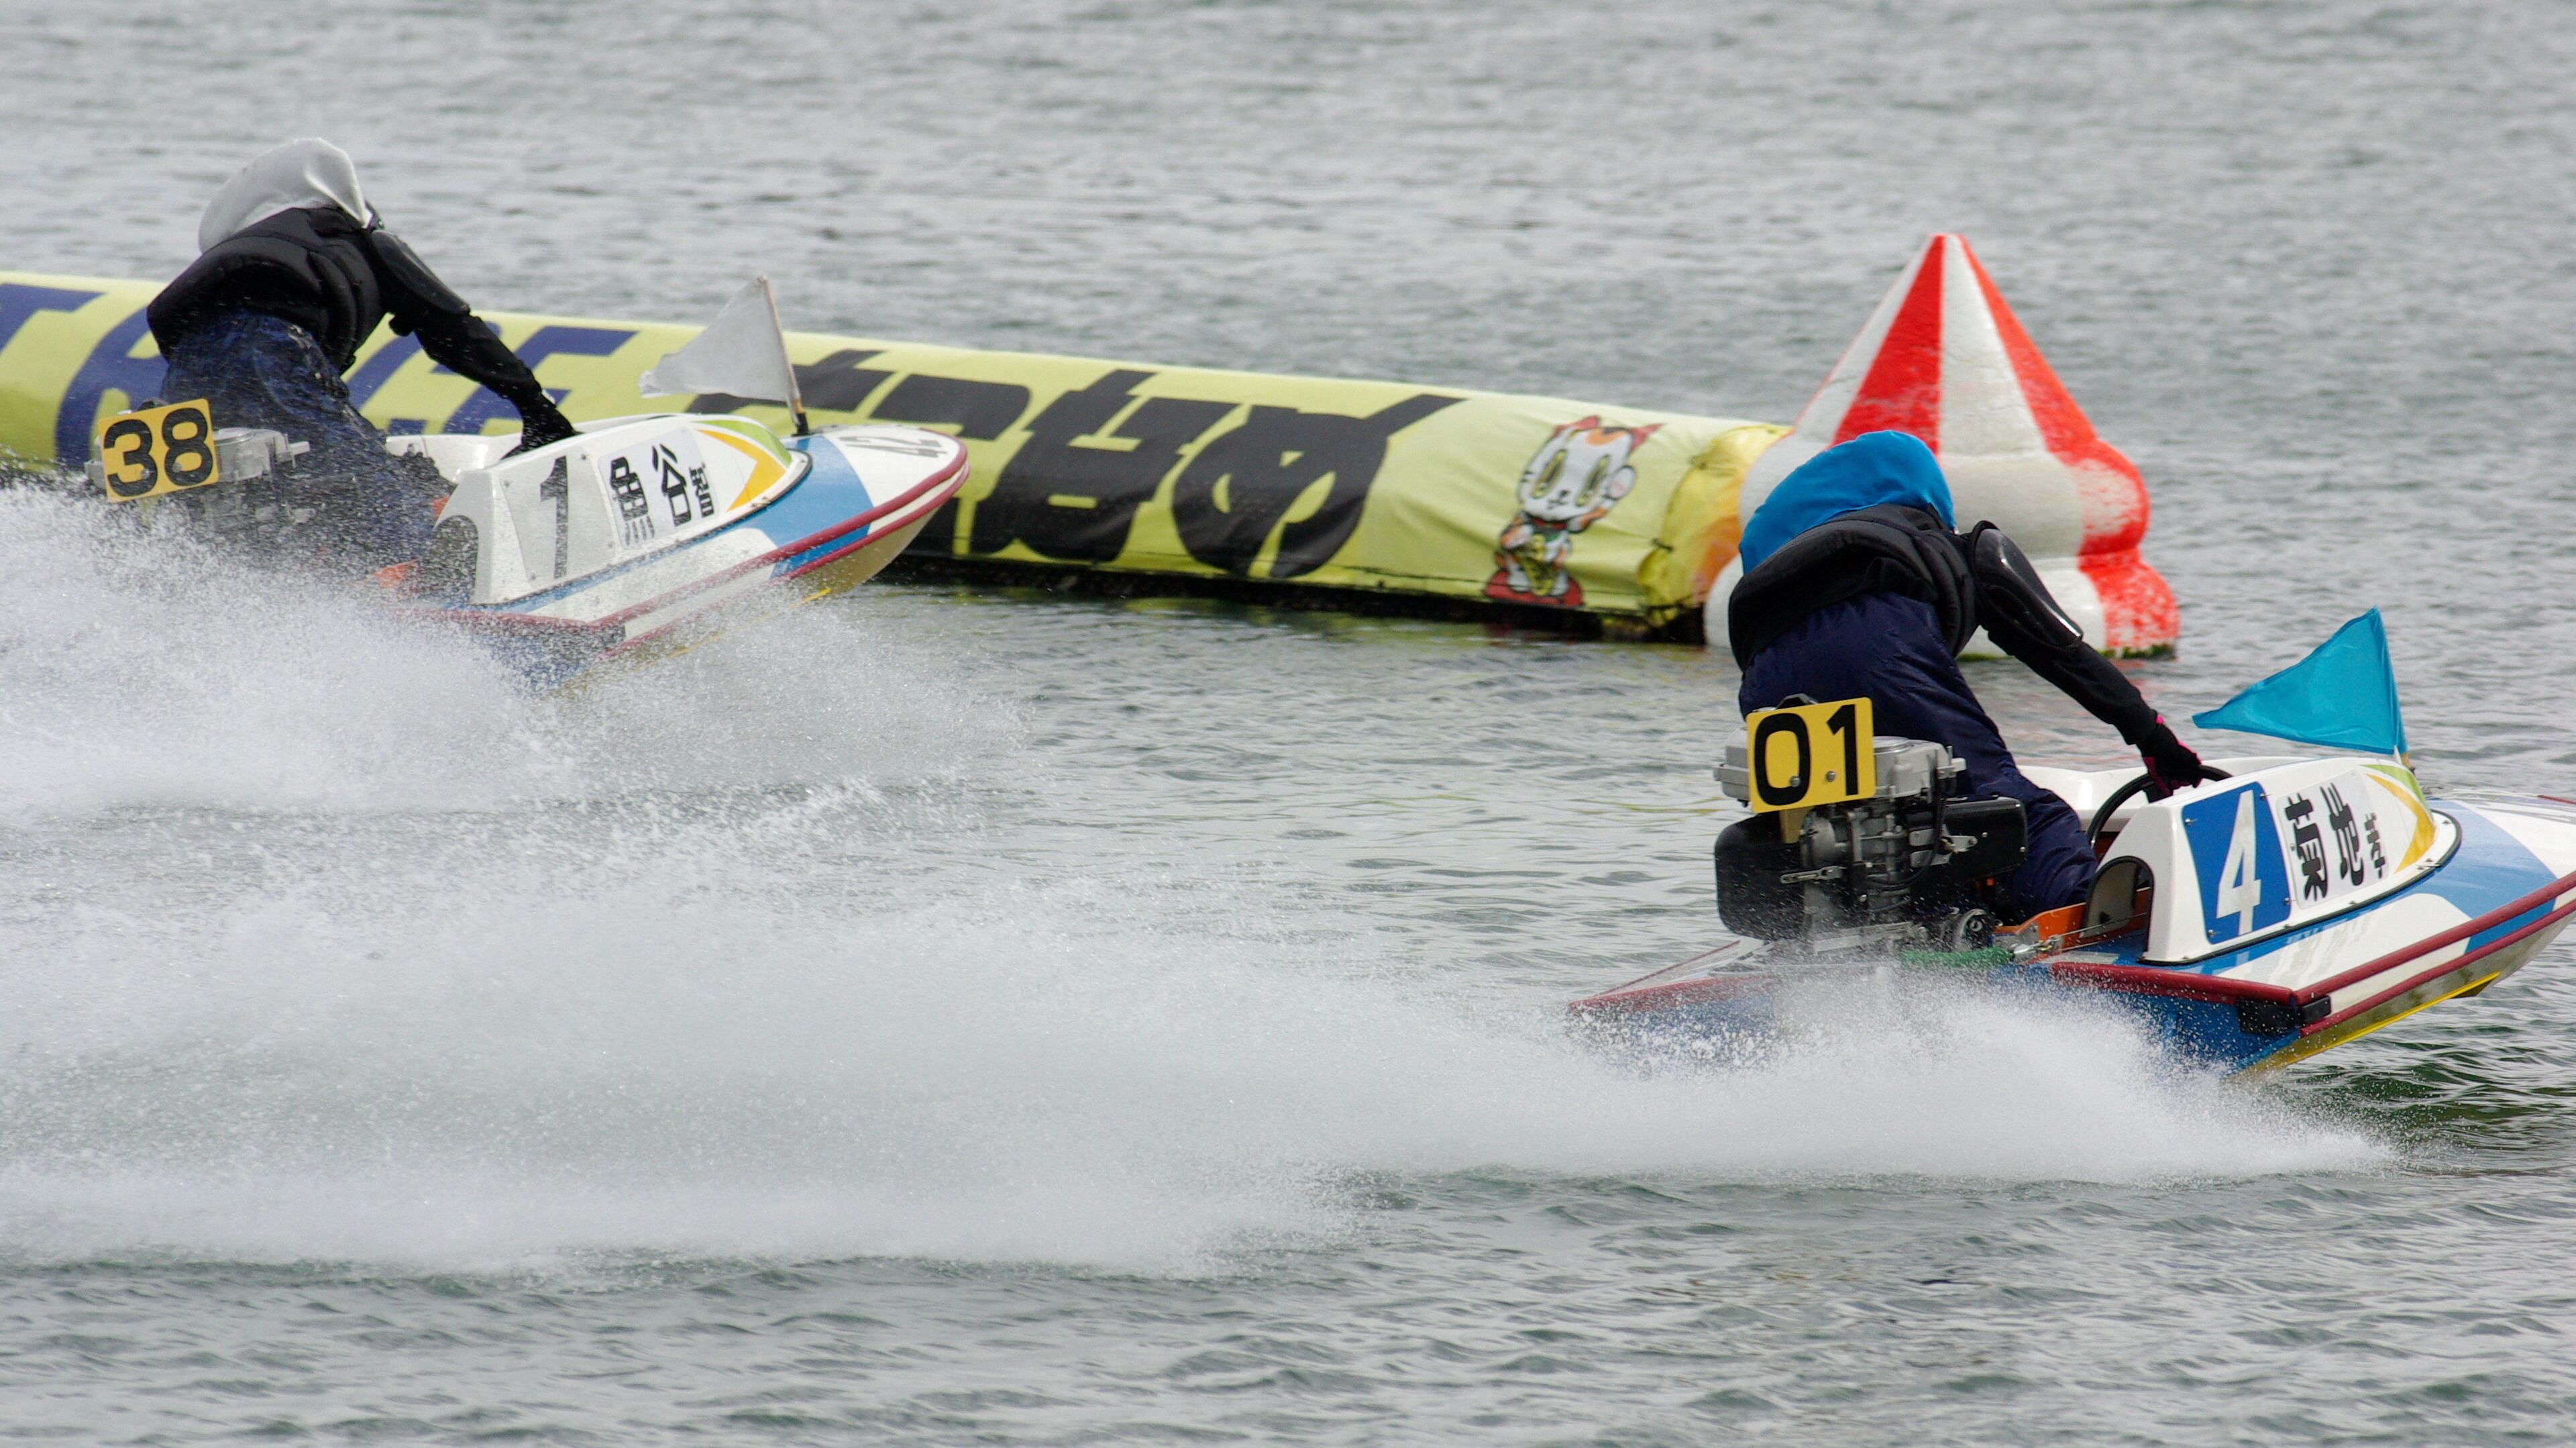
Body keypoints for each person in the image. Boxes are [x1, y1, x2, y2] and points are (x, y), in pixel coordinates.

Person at [1726, 429, 2218, 923]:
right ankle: (2083, 930)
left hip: (1766, 681)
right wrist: (2153, 738)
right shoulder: (1945, 544)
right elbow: (2059, 650)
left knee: (1839, 831)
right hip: (1877, 639)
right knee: (2019, 810)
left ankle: (1885, 933)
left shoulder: (1782, 573)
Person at [145, 138, 577, 570]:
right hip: (271, 351)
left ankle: (246, 587)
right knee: (379, 493)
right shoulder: (364, 241)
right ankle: (411, 596)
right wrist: (533, 405)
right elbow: (454, 328)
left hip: (185, 373)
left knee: (243, 498)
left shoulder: (248, 251)